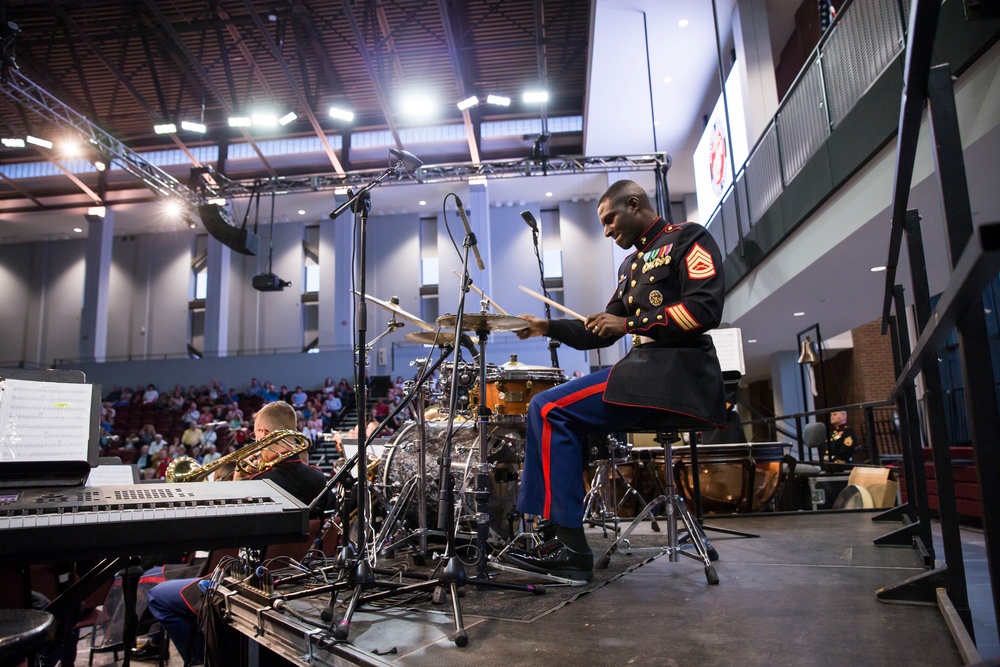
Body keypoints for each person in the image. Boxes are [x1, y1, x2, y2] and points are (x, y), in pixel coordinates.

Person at [506, 180, 727, 581]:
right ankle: (555, 534)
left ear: (634, 203)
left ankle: (571, 549)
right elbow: (599, 330)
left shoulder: (688, 238)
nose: (607, 230)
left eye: (610, 219)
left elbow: (704, 309)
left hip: (677, 372)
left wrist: (628, 323)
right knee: (550, 408)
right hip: (645, 371)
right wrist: (546, 327)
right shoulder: (630, 267)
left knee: (549, 406)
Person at [142, 402, 336, 664]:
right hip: (297, 581)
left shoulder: (258, 483)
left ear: (264, 435)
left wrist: (237, 481)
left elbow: (228, 535)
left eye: (256, 434)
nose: (254, 440)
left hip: (248, 584)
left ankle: (205, 659)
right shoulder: (320, 479)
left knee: (156, 596)